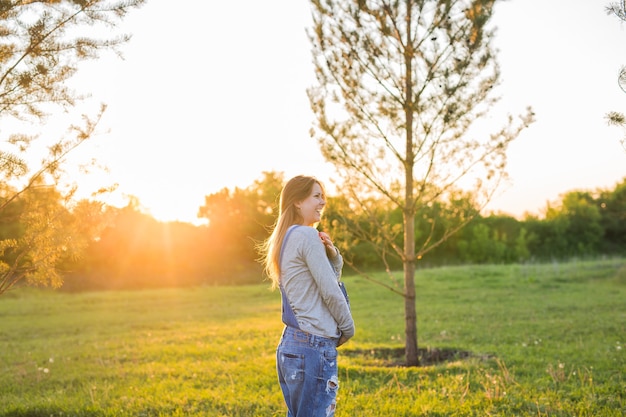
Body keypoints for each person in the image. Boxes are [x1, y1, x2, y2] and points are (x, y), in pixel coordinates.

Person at [259, 175, 355, 417]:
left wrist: (333, 257)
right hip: (313, 345)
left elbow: (318, 285)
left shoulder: (286, 237)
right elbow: (330, 291)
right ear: (298, 202)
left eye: (323, 196)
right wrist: (348, 328)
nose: (323, 202)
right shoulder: (307, 235)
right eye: (317, 196)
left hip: (292, 345)